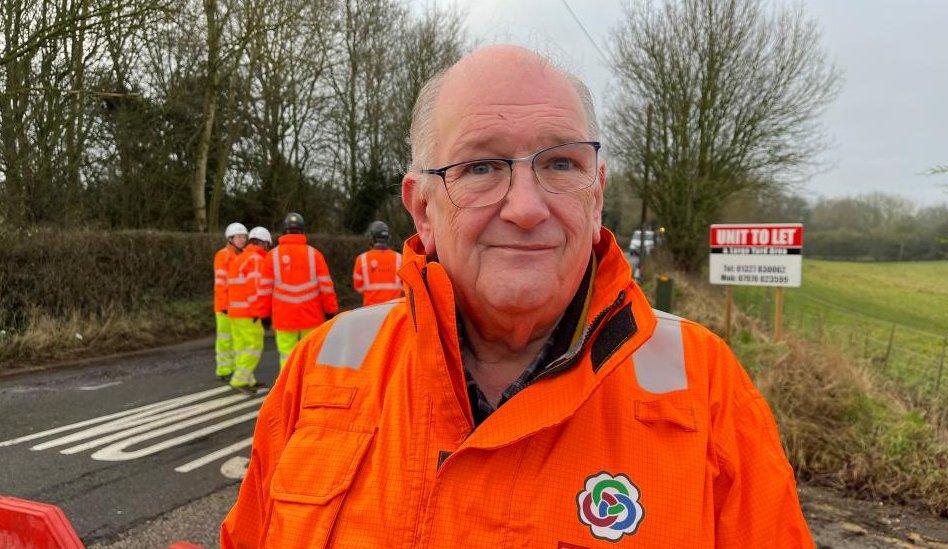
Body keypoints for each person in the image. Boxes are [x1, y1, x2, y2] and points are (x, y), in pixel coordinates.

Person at [222, 45, 813, 547]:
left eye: (560, 162)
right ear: (422, 208)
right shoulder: (323, 371)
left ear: (596, 193)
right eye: (481, 166)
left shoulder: (705, 389)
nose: (527, 208)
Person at [259, 212, 339, 368]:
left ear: (283, 231)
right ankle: (308, 389)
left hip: (284, 318)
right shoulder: (314, 255)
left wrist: (264, 316)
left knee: (287, 357)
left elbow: (264, 290)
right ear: (302, 231)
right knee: (311, 355)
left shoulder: (272, 256)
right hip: (311, 317)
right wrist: (330, 311)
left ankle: (289, 389)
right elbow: (326, 287)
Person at [226, 226, 272, 393]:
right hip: (248, 313)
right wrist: (259, 312)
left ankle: (248, 379)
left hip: (234, 312)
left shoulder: (240, 258)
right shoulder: (256, 260)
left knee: (241, 347)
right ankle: (239, 380)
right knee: (254, 346)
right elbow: (255, 289)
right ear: (264, 244)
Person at [213, 222, 247, 380]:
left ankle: (235, 369)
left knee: (237, 340)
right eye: (239, 237)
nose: (242, 240)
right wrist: (225, 305)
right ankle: (224, 370)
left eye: (243, 237)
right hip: (224, 307)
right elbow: (221, 284)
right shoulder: (223, 255)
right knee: (225, 340)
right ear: (230, 238)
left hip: (239, 308)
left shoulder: (244, 255)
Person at [352, 220, 403, 306]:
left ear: (372, 238)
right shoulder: (400, 258)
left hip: (371, 309)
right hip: (393, 309)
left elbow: (358, 287)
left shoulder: (362, 259)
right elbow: (406, 286)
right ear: (388, 238)